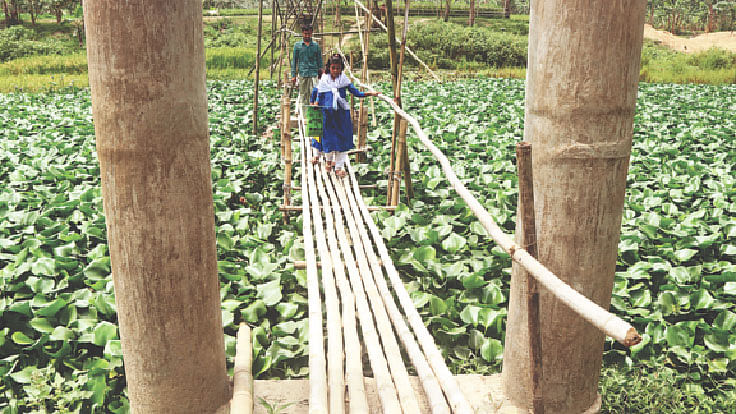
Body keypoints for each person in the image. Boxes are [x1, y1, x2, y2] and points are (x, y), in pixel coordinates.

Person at [312, 54, 380, 178]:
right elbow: (319, 96)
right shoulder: (324, 80)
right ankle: (328, 161)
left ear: (341, 68)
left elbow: (356, 93)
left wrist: (370, 93)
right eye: (333, 68)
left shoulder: (344, 80)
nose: (336, 71)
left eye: (338, 68)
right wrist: (315, 105)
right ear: (329, 68)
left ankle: (338, 167)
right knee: (329, 140)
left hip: (341, 115)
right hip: (327, 115)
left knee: (343, 140)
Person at [291, 23, 322, 116]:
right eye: (305, 33)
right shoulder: (297, 46)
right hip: (303, 73)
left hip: (313, 73)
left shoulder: (316, 46)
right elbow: (294, 61)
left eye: (308, 33)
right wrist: (293, 75)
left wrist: (321, 74)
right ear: (302, 33)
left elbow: (319, 61)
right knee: (303, 94)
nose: (307, 35)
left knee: (314, 93)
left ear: (311, 33)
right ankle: (304, 115)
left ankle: (313, 113)